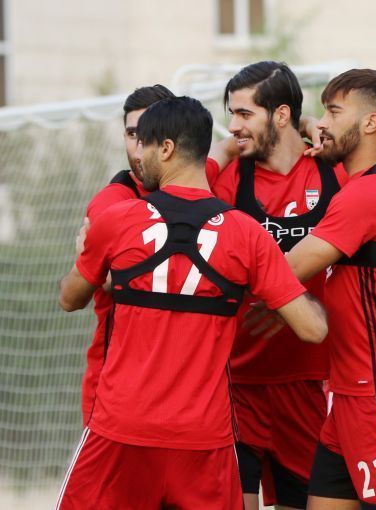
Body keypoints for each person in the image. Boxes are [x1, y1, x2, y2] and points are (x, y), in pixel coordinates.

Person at [56, 96, 327, 509]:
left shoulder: (117, 220)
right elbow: (313, 329)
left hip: (120, 430)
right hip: (205, 439)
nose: (138, 155)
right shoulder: (247, 235)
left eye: (144, 144)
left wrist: (85, 256)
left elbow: (69, 298)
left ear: (166, 148)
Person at [281, 68, 376, 510]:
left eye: (334, 112)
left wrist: (226, 241)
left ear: (371, 122)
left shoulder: (368, 194)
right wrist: (313, 126)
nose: (322, 123)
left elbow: (288, 269)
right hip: (353, 390)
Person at [209, 60, 347, 510]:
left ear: (282, 114)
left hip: (311, 383)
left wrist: (314, 125)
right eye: (232, 114)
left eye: (245, 114)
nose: (234, 126)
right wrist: (226, 150)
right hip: (238, 384)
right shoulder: (229, 181)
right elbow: (177, 195)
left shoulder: (333, 174)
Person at [77, 84, 175, 425]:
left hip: (181, 399)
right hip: (114, 396)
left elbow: (223, 152)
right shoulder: (112, 202)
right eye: (133, 134)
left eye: (150, 133)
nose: (139, 146)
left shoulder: (198, 185)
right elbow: (106, 280)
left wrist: (308, 124)